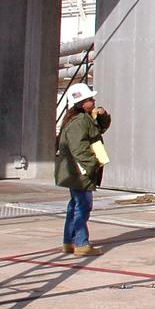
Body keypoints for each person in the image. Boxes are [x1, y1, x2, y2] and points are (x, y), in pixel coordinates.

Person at [55, 83, 109, 256]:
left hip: (75, 171)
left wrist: (102, 116)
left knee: (75, 206)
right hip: (80, 172)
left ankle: (69, 241)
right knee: (83, 206)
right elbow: (79, 149)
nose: (93, 101)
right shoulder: (79, 122)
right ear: (81, 102)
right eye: (90, 99)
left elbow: (100, 128)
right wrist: (93, 164)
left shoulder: (83, 118)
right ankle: (81, 243)